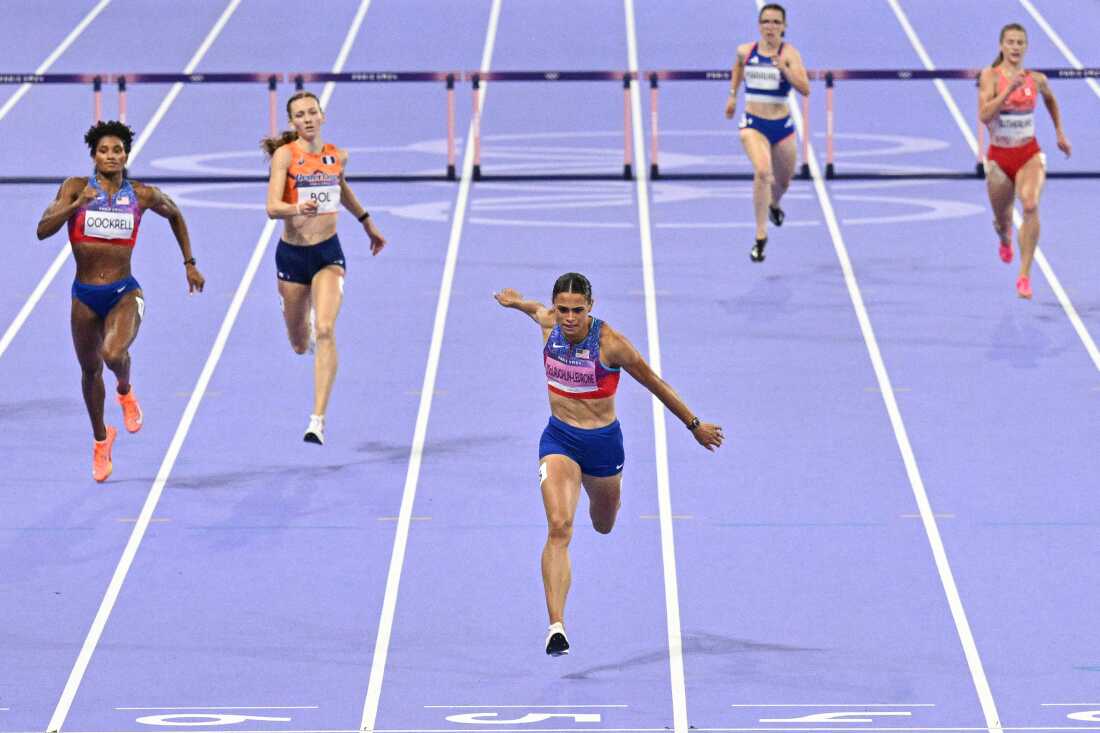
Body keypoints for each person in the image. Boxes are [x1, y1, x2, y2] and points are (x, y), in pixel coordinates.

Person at [494, 273, 723, 656]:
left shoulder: (611, 344)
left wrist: (695, 425)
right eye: (562, 309)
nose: (569, 318)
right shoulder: (549, 322)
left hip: (602, 446)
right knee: (559, 527)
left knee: (603, 524)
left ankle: (605, 497)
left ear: (591, 307)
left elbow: (655, 383)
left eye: (577, 311)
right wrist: (517, 302)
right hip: (559, 439)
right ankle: (556, 626)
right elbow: (535, 310)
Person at [36, 120, 205, 482]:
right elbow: (42, 230)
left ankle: (125, 392)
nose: (111, 156)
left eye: (117, 150)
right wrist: (75, 206)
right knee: (88, 371)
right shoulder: (75, 188)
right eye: (104, 150)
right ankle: (101, 440)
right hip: (83, 296)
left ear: (126, 154)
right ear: (94, 156)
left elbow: (175, 213)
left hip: (124, 292)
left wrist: (189, 263)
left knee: (112, 354)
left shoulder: (141, 195)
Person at [262, 91, 387, 444]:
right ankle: (299, 316)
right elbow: (272, 207)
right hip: (292, 257)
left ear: (322, 115)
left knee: (327, 329)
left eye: (312, 112)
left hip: (328, 255)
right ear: (292, 122)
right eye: (299, 115)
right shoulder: (284, 156)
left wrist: (366, 222)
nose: (307, 118)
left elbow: (340, 187)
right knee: (300, 344)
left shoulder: (337, 156)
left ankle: (317, 419)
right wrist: (298, 207)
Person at [979, 22, 1071, 299]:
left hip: (1028, 153)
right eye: (1011, 42)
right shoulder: (990, 77)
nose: (1015, 47)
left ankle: (1024, 275)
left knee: (1030, 204)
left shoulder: (1037, 79)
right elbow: (984, 116)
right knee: (1002, 217)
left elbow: (1051, 100)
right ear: (1001, 46)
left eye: (1020, 43)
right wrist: (1008, 91)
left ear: (1026, 47)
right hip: (999, 157)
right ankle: (1004, 236)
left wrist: (1059, 132)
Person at [724, 2, 810, 263]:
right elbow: (738, 68)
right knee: (763, 172)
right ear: (759, 25)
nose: (770, 27)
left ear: (784, 27)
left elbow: (805, 88)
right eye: (766, 22)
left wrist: (784, 70)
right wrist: (732, 95)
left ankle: (774, 204)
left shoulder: (790, 54)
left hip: (782, 127)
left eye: (775, 22)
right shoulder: (745, 51)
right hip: (754, 124)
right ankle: (760, 237)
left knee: (783, 182)